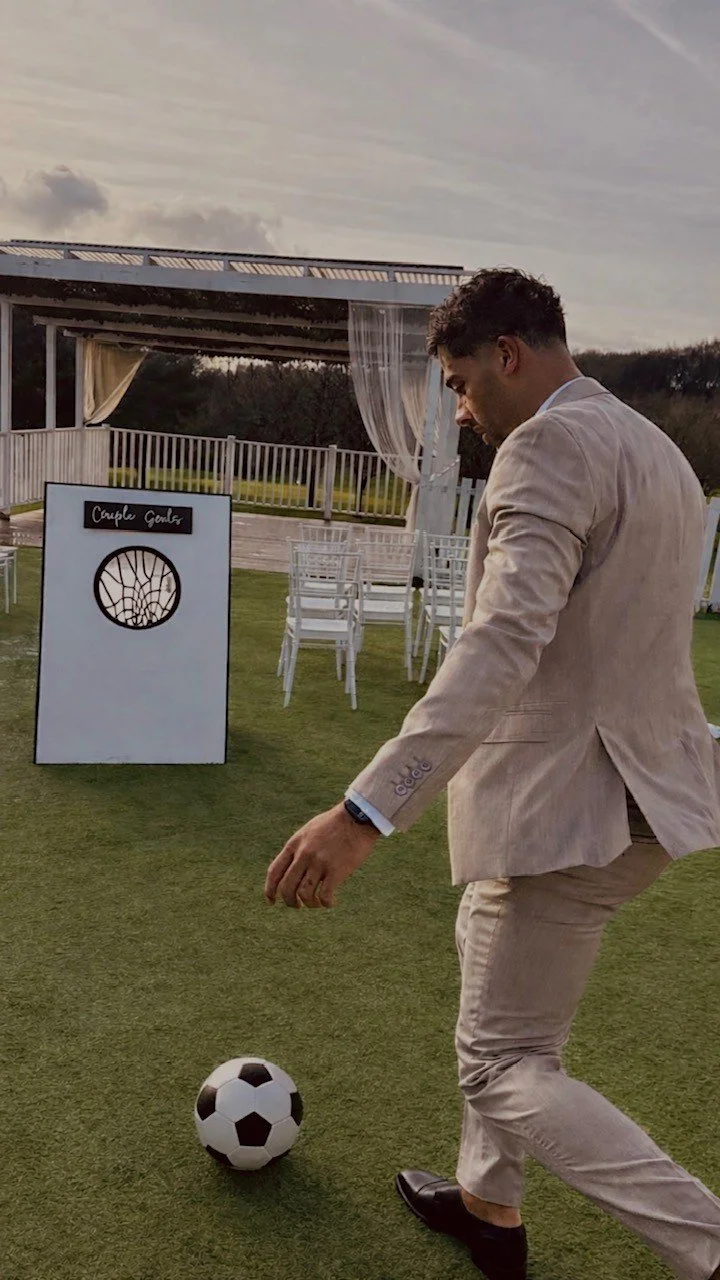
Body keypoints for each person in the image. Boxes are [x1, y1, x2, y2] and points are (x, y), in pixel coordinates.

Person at [264, 268, 720, 1280]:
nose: (463, 411)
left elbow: (501, 643)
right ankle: (488, 1205)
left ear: (508, 353)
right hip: (647, 790)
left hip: (580, 805)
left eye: (463, 382)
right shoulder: (657, 450)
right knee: (493, 966)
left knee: (503, 1061)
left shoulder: (548, 445)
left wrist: (365, 809)